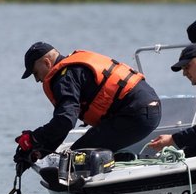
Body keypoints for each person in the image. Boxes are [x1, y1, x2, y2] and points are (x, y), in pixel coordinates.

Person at [15, 42, 161, 162]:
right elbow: (63, 124)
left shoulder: (65, 78)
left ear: (47, 62)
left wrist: (34, 138)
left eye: (35, 73)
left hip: (135, 114)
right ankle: (121, 160)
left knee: (76, 158)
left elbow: (65, 121)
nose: (37, 80)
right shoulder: (73, 69)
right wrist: (38, 152)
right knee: (82, 152)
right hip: (147, 110)